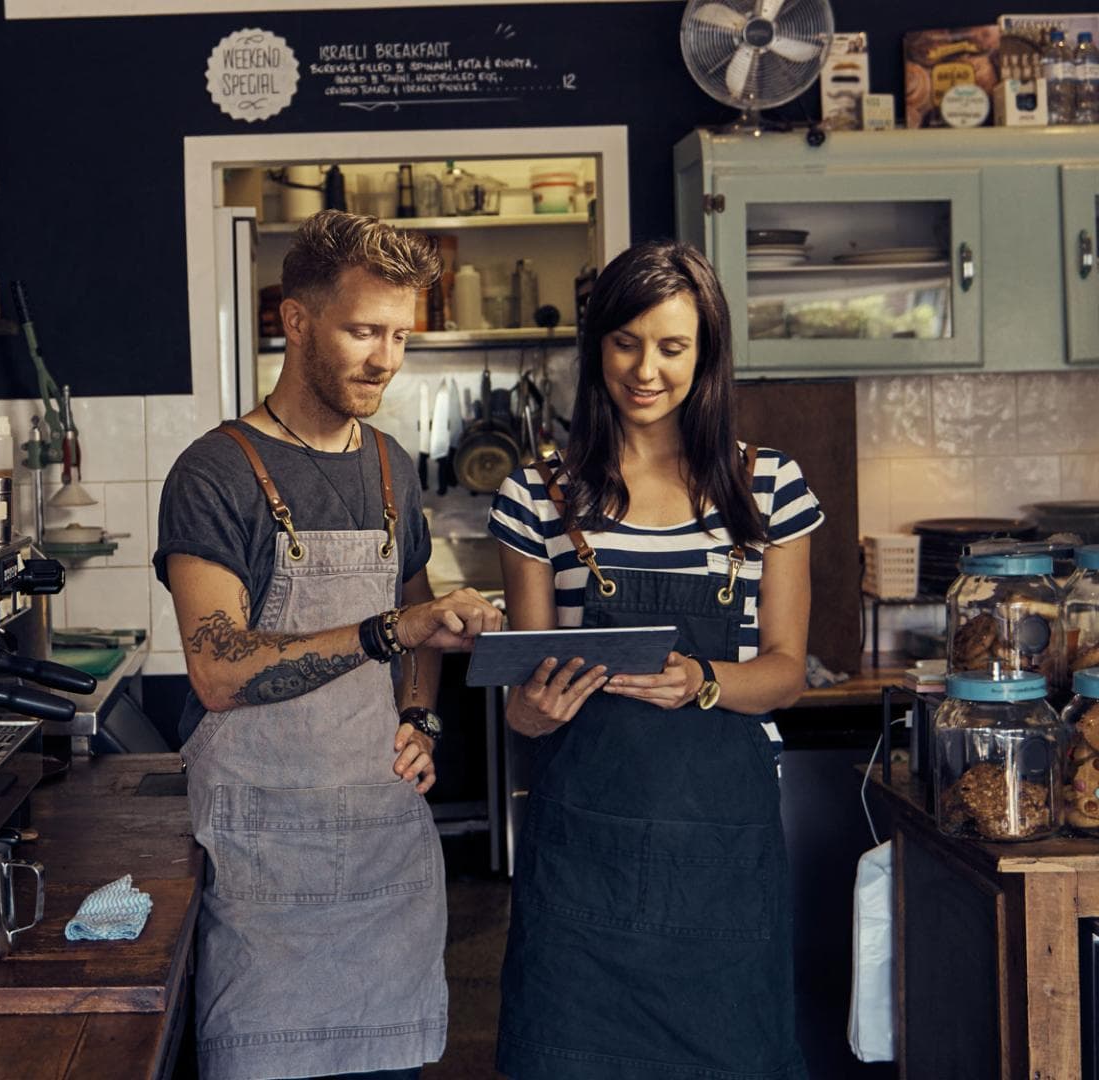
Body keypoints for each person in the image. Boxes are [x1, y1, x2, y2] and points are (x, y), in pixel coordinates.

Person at [155, 210, 501, 1080]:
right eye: (362, 331)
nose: (385, 358)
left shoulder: (390, 463)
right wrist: (393, 630)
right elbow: (220, 669)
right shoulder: (216, 472)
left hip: (385, 863)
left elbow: (420, 614)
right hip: (265, 874)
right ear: (296, 321)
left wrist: (419, 714)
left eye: (400, 336)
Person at [489, 239, 821, 1080]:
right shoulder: (539, 493)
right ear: (596, 345)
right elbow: (520, 697)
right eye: (626, 342)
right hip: (581, 870)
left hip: (720, 866)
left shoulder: (768, 485)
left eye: (673, 347)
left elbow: (785, 670)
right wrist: (534, 707)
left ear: (705, 355)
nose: (646, 369)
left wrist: (701, 681)